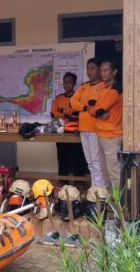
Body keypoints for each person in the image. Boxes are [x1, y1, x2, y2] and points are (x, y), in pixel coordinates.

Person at [70, 58, 106, 187]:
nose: (89, 71)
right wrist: (85, 107)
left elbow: (100, 105)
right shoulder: (83, 87)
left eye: (92, 68)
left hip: (95, 128)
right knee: (89, 161)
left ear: (99, 70)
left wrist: (90, 107)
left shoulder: (103, 86)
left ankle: (100, 188)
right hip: (83, 128)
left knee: (97, 161)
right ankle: (94, 186)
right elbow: (73, 102)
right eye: (88, 68)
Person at [89, 60, 123, 189]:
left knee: (113, 170)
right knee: (105, 170)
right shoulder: (103, 87)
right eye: (101, 70)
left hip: (111, 135)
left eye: (106, 70)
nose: (102, 73)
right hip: (101, 133)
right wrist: (96, 110)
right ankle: (110, 197)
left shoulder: (115, 89)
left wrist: (96, 110)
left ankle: (118, 199)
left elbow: (99, 109)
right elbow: (95, 108)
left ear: (114, 72)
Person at [50, 72, 87, 184]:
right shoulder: (59, 98)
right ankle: (63, 181)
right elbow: (53, 113)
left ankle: (79, 182)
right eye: (65, 82)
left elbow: (80, 113)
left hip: (76, 132)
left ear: (74, 83)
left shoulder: (78, 98)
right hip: (62, 132)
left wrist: (65, 114)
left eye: (69, 82)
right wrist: (67, 115)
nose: (67, 85)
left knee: (78, 158)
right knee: (62, 157)